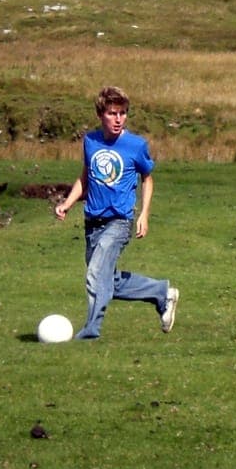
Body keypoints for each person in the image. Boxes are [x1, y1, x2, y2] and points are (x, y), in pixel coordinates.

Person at [54, 86, 178, 340]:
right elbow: (85, 177)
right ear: (101, 114)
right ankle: (161, 292)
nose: (118, 119)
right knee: (108, 279)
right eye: (112, 113)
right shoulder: (90, 141)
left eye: (122, 113)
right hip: (92, 222)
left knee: (95, 275)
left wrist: (144, 214)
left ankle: (91, 330)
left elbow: (148, 179)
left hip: (119, 222)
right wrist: (67, 203)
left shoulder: (136, 145)